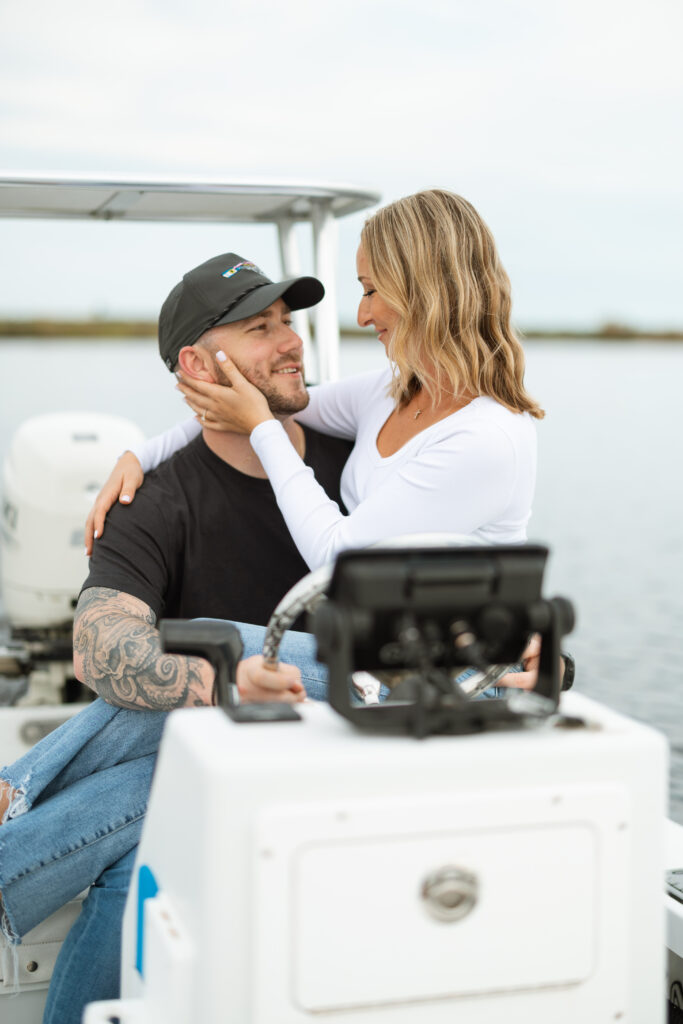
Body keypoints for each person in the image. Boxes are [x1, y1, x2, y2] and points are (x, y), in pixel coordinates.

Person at [0, 253, 354, 1024]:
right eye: (260, 328)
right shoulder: (151, 500)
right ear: (196, 364)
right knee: (142, 852)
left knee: (212, 655)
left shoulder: (360, 466)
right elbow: (99, 650)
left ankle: (13, 802)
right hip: (218, 778)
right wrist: (227, 686)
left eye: (288, 322)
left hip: (351, 753)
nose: (290, 341)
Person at [92, 190, 543, 577]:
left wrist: (259, 429)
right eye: (260, 327)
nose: (363, 315)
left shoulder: (485, 439)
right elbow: (261, 404)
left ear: (422, 291)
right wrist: (141, 454)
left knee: (200, 642)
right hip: (382, 657)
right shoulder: (391, 394)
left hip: (453, 673)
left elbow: (337, 557)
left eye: (370, 290)